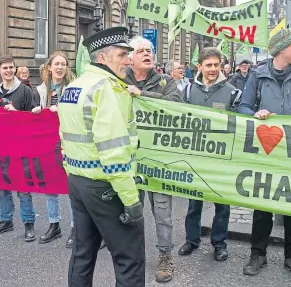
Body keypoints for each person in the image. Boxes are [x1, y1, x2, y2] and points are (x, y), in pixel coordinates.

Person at [58, 26, 144, 287]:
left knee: (83, 254)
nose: (128, 60)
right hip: (107, 185)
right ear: (102, 58)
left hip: (78, 181)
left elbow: (65, 139)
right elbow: (114, 152)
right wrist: (131, 200)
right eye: (121, 55)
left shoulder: (74, 86)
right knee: (129, 259)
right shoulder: (107, 90)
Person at [238, 28, 291, 279]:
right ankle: (257, 254)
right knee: (262, 204)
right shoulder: (257, 75)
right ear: (281, 49)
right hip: (265, 149)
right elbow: (242, 106)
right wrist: (255, 114)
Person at [125, 36, 182, 283]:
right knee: (131, 210)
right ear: (130, 58)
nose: (147, 53)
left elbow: (176, 105)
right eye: (141, 50)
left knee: (163, 212)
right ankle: (132, 253)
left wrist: (143, 95)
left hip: (158, 160)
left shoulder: (166, 82)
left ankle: (165, 257)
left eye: (149, 50)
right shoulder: (118, 80)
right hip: (129, 158)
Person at [179, 47, 241, 263]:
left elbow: (241, 121)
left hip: (220, 159)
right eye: (209, 65)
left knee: (221, 205)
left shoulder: (233, 92)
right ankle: (192, 239)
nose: (213, 69)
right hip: (195, 157)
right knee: (193, 203)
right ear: (200, 67)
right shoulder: (187, 91)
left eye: (217, 65)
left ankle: (219, 244)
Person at [0, 56, 37, 242]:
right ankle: (6, 220)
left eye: (11, 67)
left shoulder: (25, 90)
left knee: (22, 187)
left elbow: (33, 117)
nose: (8, 70)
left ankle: (29, 223)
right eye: (5, 68)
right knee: (3, 186)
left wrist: (17, 114)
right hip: (1, 145)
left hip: (20, 145)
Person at [32, 52, 76, 245]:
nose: (59, 67)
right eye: (56, 64)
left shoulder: (74, 88)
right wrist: (36, 111)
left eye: (63, 64)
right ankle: (54, 224)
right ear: (49, 67)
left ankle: (77, 228)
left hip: (69, 142)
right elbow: (32, 114)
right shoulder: (40, 90)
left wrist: (64, 109)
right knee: (50, 185)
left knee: (72, 186)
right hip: (47, 143)